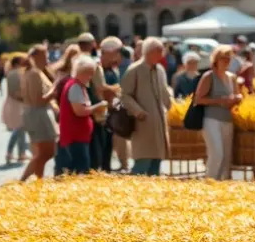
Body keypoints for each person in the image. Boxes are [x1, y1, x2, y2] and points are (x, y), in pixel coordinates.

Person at [120, 37, 172, 176]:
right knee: (143, 162)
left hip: (159, 124)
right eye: (158, 51)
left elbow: (164, 91)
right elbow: (125, 95)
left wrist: (171, 106)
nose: (161, 54)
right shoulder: (134, 70)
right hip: (143, 124)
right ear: (149, 52)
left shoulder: (160, 70)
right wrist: (138, 111)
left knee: (156, 161)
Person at [194, 45, 243, 180]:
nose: (226, 61)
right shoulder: (209, 76)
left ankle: (223, 185)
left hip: (227, 120)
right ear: (216, 59)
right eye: (223, 58)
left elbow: (237, 95)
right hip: (211, 119)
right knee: (217, 153)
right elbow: (198, 99)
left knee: (227, 157)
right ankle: (210, 181)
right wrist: (220, 101)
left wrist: (237, 99)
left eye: (229, 58)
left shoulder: (231, 77)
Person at [56, 56, 108, 175]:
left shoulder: (78, 85)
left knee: (81, 167)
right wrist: (98, 106)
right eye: (88, 73)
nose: (90, 77)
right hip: (75, 136)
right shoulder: (75, 87)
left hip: (79, 135)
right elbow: (79, 111)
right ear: (80, 72)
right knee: (80, 169)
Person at [20, 45, 58, 181]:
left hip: (36, 114)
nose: (47, 58)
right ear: (36, 57)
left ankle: (38, 180)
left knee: (42, 152)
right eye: (44, 55)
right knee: (47, 152)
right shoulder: (34, 73)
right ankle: (25, 179)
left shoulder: (34, 72)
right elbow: (38, 100)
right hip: (38, 115)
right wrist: (53, 92)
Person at [95, 36, 128, 172]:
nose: (118, 56)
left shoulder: (113, 69)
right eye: (116, 52)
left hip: (113, 111)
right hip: (101, 113)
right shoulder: (98, 67)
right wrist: (115, 89)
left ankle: (107, 169)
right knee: (102, 145)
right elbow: (101, 89)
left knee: (109, 144)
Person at [1, 55, 29, 165]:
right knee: (18, 129)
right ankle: (10, 152)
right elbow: (13, 92)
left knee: (21, 129)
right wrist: (25, 98)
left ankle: (21, 153)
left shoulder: (15, 73)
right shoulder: (14, 74)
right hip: (16, 104)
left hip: (17, 103)